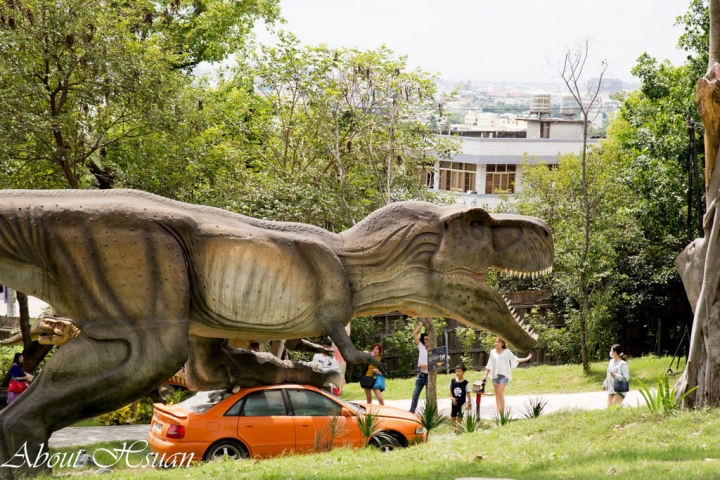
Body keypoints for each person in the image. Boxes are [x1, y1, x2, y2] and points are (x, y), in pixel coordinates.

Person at [483, 337, 532, 414]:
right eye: (495, 342)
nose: (496, 343)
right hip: (495, 376)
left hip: (504, 376)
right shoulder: (492, 352)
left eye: (498, 342)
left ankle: (502, 414)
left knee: (500, 393)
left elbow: (515, 359)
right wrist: (485, 376)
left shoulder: (507, 352)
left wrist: (527, 358)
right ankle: (498, 413)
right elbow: (489, 365)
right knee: (497, 395)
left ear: (502, 343)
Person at [409, 324, 430, 413]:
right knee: (415, 394)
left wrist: (426, 366)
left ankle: (428, 412)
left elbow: (437, 364)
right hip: (420, 375)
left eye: (428, 339)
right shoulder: (421, 346)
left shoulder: (433, 349)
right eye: (425, 339)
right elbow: (414, 334)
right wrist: (421, 323)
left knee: (429, 396)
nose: (426, 341)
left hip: (429, 376)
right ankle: (412, 411)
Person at [602, 343, 629, 408]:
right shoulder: (611, 362)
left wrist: (616, 376)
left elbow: (626, 378)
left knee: (614, 408)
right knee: (609, 408)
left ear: (615, 352)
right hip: (611, 389)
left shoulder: (622, 364)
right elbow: (608, 375)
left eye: (611, 350)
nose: (610, 352)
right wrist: (605, 384)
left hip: (619, 390)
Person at [450, 364, 472, 434]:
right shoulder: (452, 381)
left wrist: (469, 403)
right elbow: (450, 390)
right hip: (454, 403)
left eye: (459, 371)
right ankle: (455, 429)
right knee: (453, 418)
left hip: (462, 404)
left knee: (459, 418)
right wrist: (451, 397)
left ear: (463, 372)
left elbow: (468, 393)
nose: (457, 373)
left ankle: (457, 433)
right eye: (456, 371)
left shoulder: (466, 383)